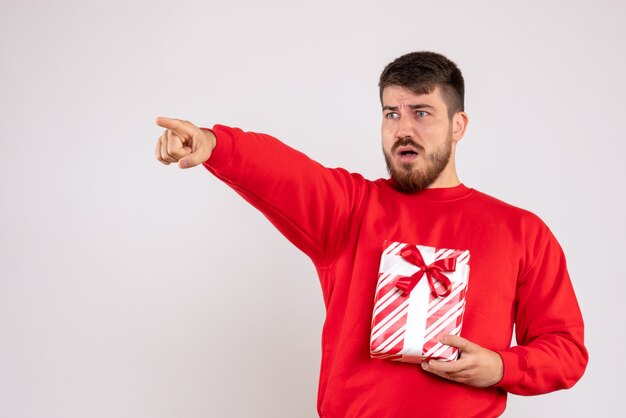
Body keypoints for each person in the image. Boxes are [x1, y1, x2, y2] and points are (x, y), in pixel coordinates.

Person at [154, 51, 588, 417]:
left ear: (458, 125)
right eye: (391, 113)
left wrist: (500, 367)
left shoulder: (520, 231)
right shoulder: (351, 209)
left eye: (421, 112)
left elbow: (566, 350)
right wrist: (215, 145)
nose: (403, 128)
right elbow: (285, 174)